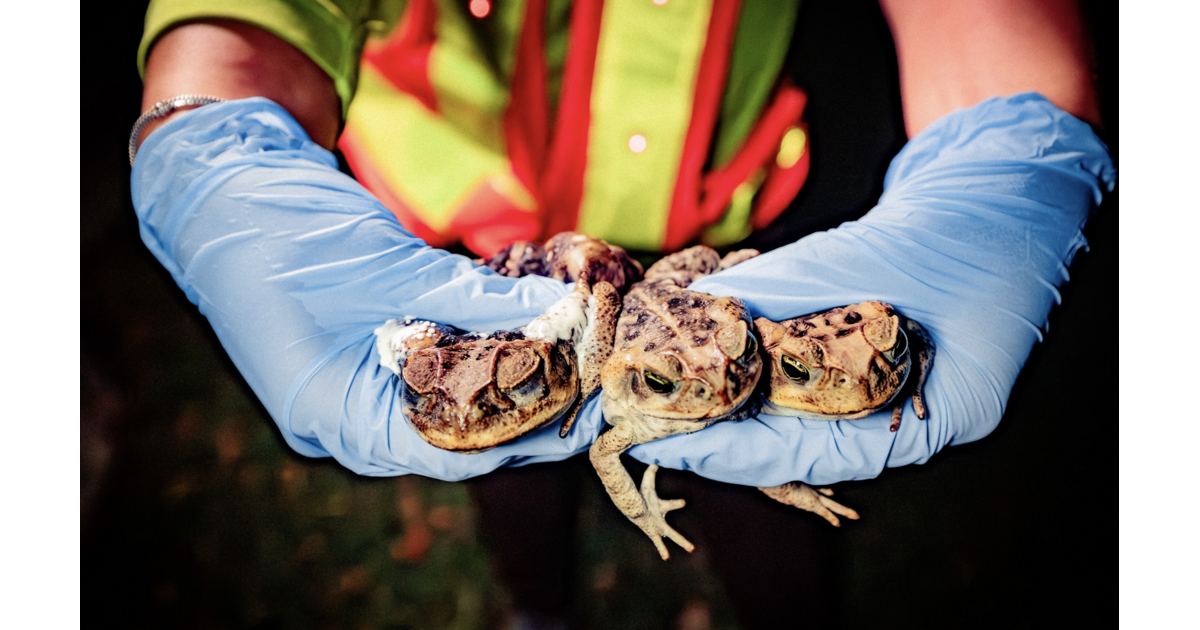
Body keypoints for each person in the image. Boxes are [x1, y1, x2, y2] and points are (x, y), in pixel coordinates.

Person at [129, 0, 1114, 626]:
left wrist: (1011, 143)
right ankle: (538, 603)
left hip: (715, 231)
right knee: (507, 463)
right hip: (472, 249)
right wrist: (208, 113)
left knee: (759, 482)